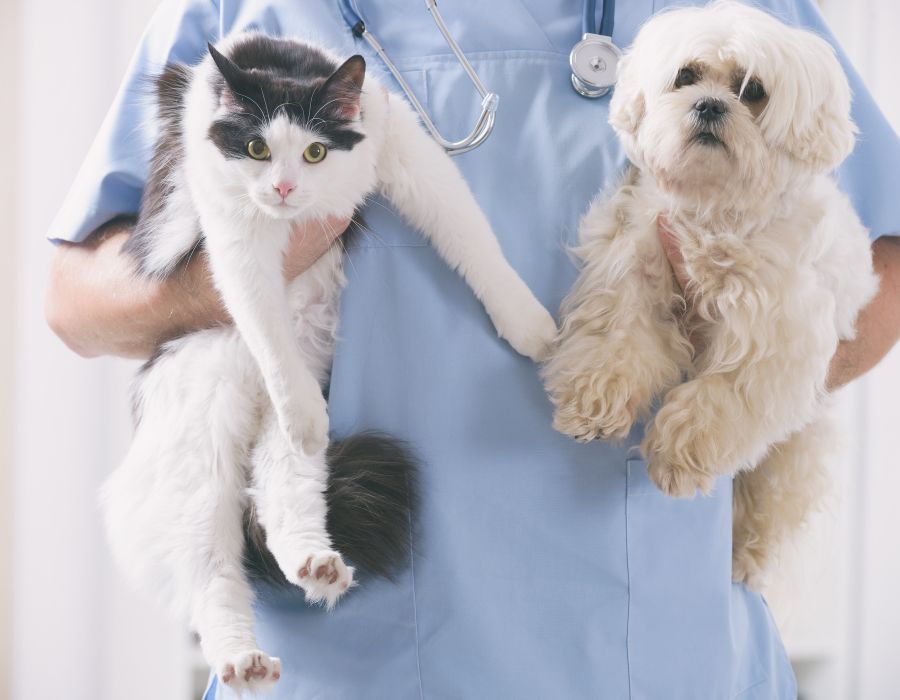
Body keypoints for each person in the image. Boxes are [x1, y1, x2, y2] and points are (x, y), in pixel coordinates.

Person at [45, 0, 900, 697]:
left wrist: (752, 364)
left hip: (661, 650)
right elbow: (78, 301)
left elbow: (882, 269)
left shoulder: (749, 20)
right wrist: (248, 266)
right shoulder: (244, 9)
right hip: (349, 646)